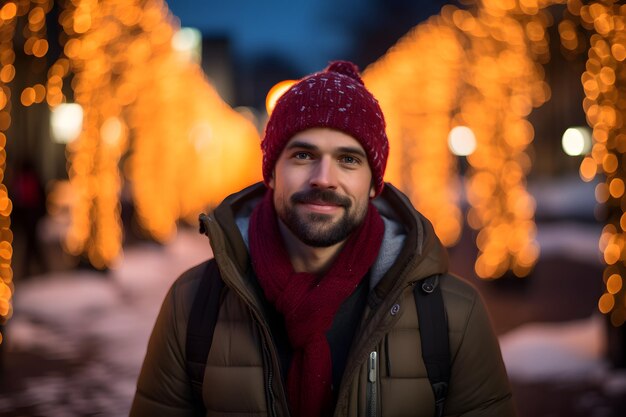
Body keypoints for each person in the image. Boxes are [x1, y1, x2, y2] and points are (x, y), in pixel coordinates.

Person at [130, 61, 516, 417]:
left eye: (348, 159)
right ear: (270, 172)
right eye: (302, 155)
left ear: (372, 184)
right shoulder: (194, 304)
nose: (323, 178)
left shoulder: (453, 315)